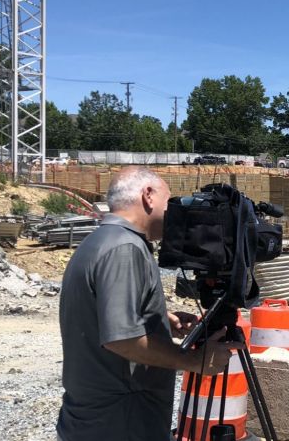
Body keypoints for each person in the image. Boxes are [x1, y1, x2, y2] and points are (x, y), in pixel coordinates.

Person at [57, 167, 237, 441]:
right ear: (148, 195)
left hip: (96, 421)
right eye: (169, 201)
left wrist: (158, 319)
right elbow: (122, 339)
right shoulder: (124, 248)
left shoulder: (100, 240)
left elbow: (100, 315)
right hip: (121, 425)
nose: (172, 212)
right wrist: (193, 360)